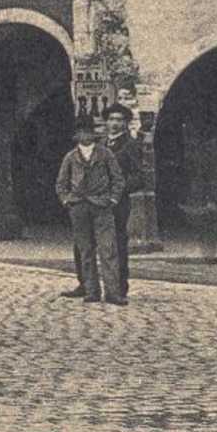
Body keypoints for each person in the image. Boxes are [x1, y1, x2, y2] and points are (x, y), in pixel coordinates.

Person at [62, 104, 144, 298]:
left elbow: (139, 177)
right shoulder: (99, 146)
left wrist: (116, 193)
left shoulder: (131, 146)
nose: (114, 123)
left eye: (119, 120)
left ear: (125, 123)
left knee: (115, 244)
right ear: (105, 122)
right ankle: (85, 283)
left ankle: (118, 286)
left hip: (116, 203)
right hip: (91, 202)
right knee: (83, 243)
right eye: (111, 119)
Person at [56, 120, 126, 305]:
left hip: (101, 205)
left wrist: (112, 199)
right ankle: (91, 290)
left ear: (93, 134)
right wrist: (67, 201)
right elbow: (61, 183)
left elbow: (118, 179)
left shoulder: (105, 154)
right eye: (81, 132)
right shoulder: (71, 157)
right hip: (79, 207)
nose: (85, 136)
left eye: (88, 132)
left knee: (108, 249)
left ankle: (113, 292)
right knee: (85, 250)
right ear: (76, 136)